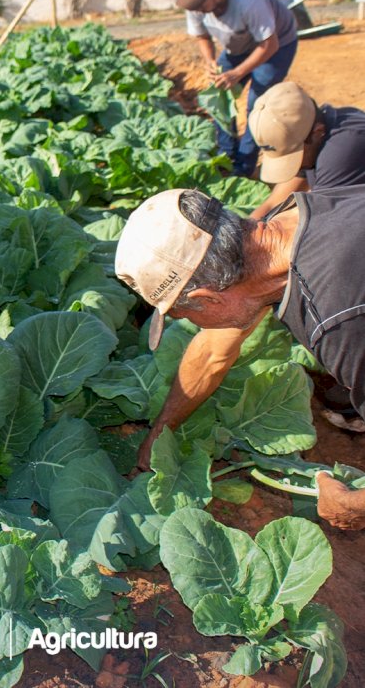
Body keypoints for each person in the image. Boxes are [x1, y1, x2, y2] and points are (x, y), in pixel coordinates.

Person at [114, 187, 365, 531]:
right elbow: (213, 352)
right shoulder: (297, 215)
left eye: (184, 316)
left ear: (210, 299)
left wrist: (354, 504)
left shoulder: (340, 323)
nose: (193, 325)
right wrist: (162, 430)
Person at [177, 0, 298, 177]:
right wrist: (210, 62)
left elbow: (269, 44)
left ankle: (244, 165)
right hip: (239, 46)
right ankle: (226, 154)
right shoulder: (197, 6)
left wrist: (237, 73)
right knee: (218, 96)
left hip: (277, 44)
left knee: (257, 104)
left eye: (200, 4)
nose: (195, 9)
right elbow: (202, 36)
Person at [249, 81, 365, 218]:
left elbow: (320, 223)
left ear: (317, 132)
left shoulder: (339, 154)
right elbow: (274, 203)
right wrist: (244, 229)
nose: (295, 167)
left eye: (293, 156)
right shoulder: (316, 127)